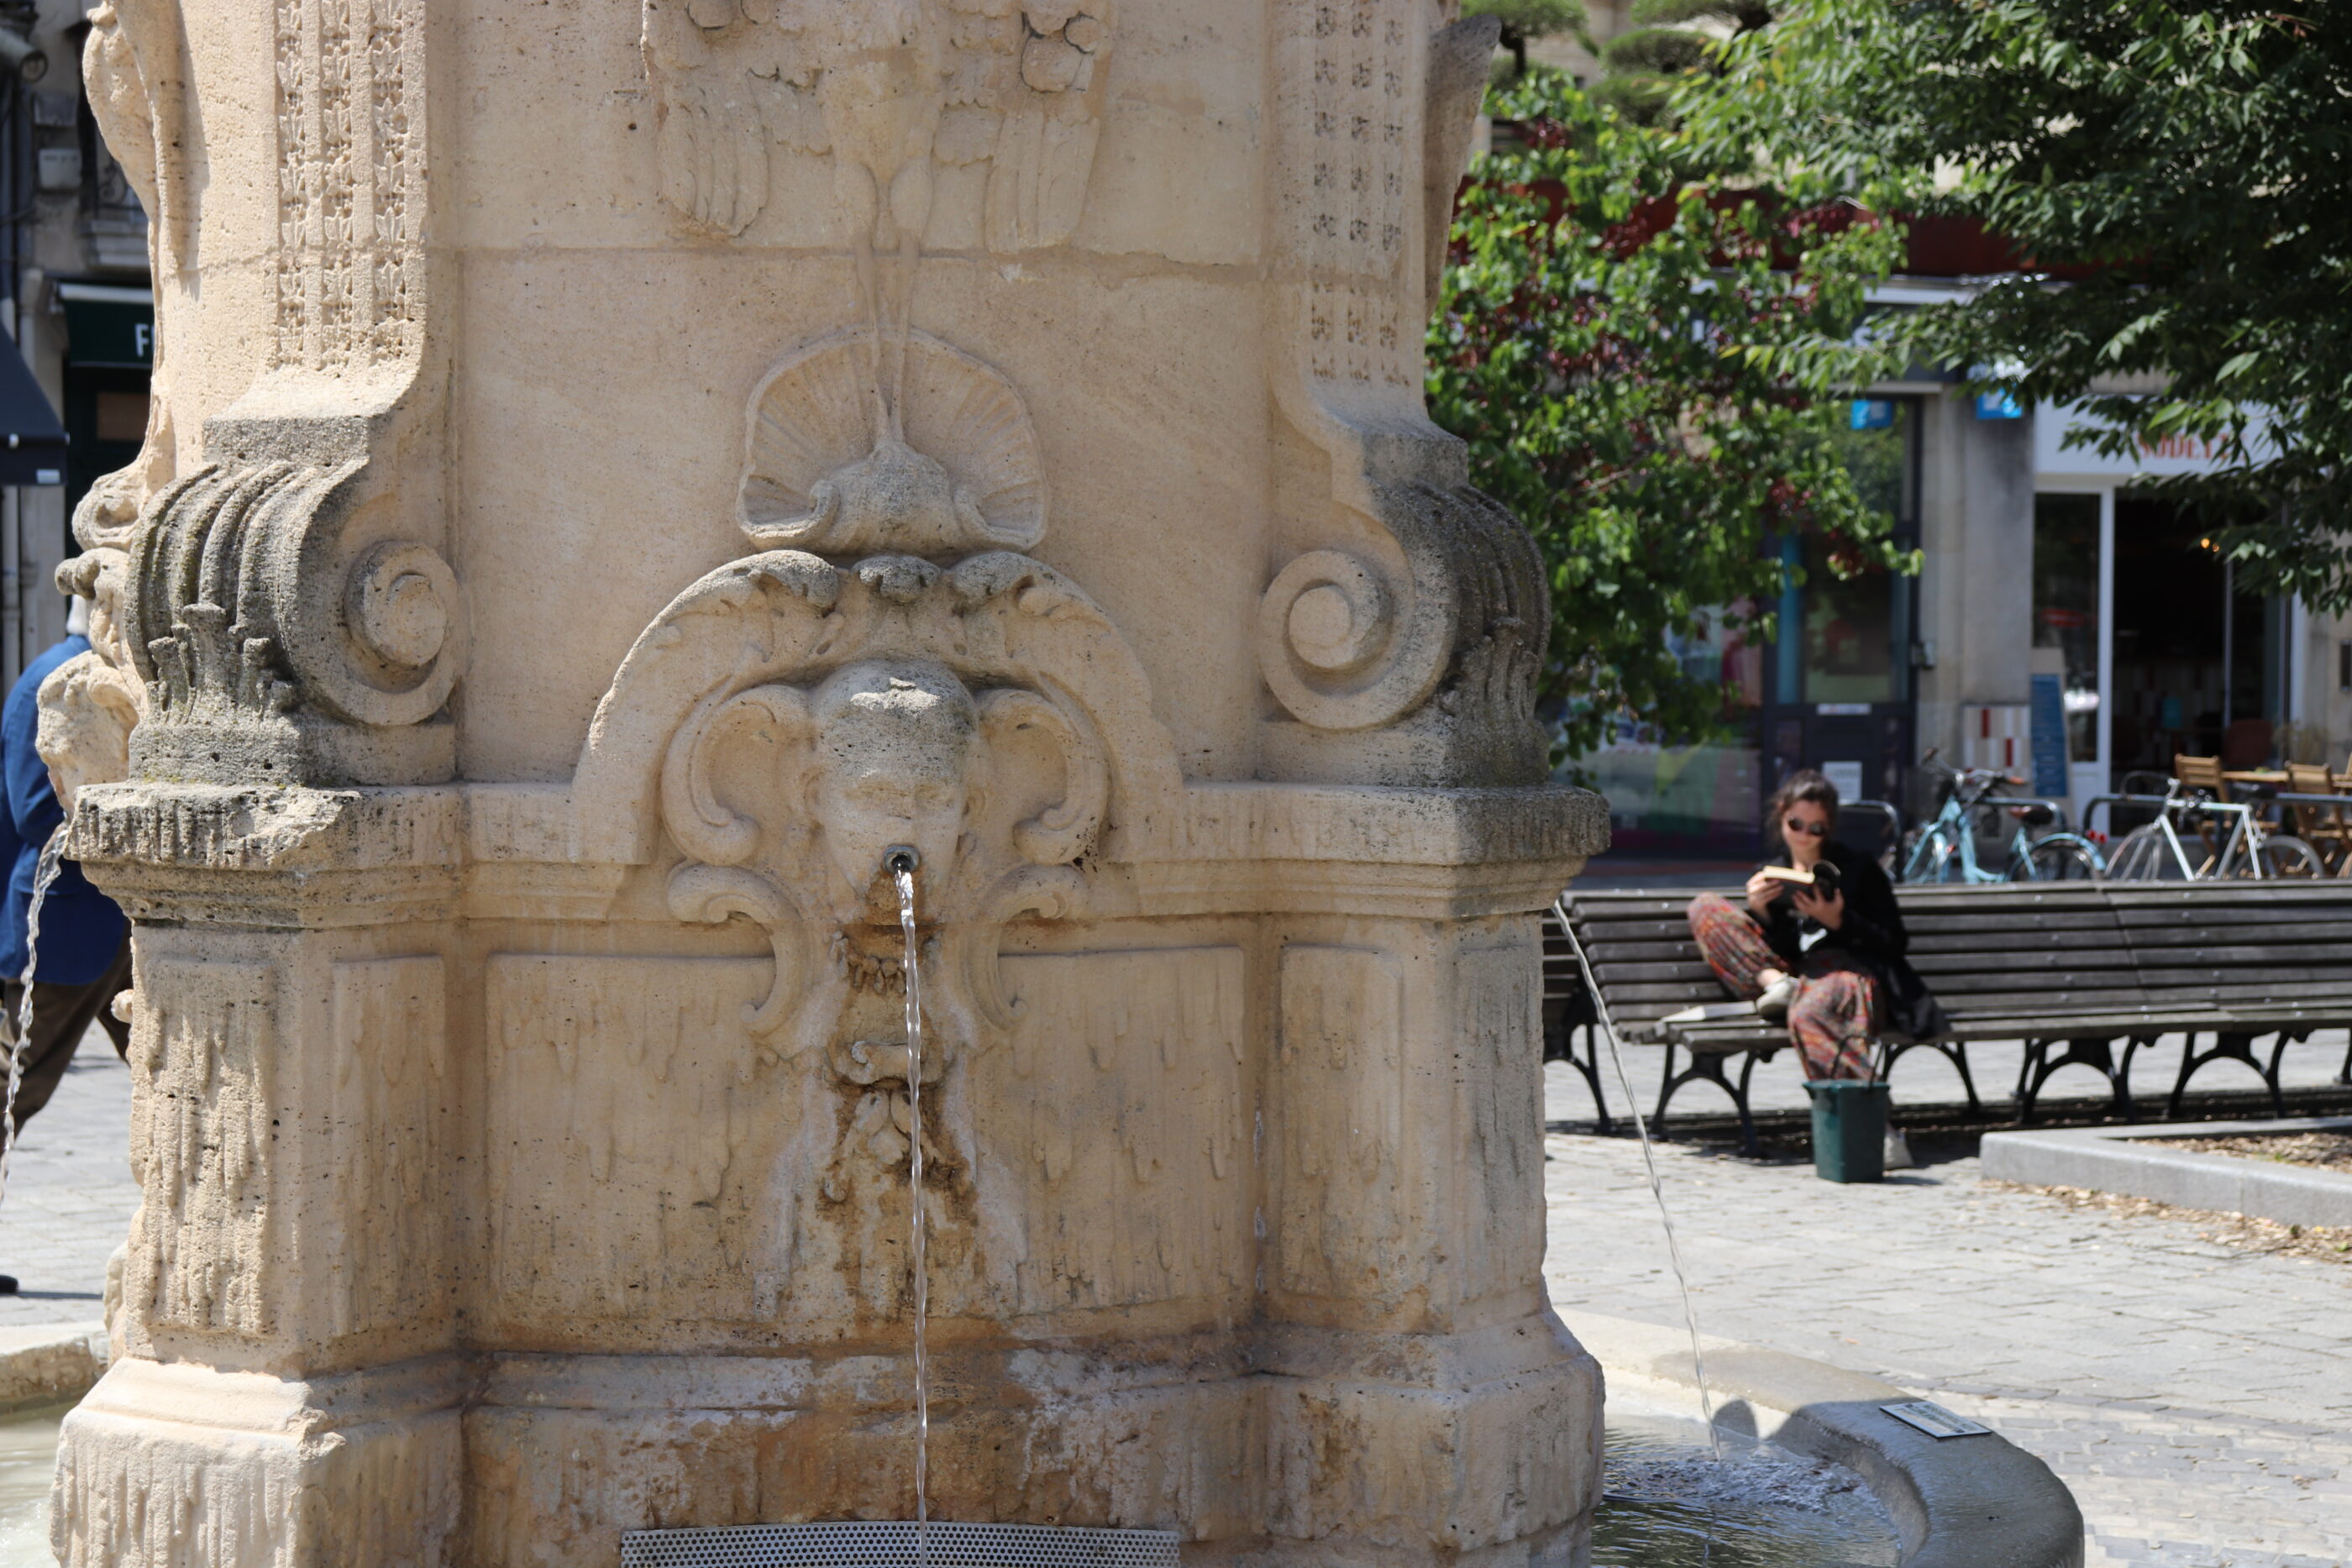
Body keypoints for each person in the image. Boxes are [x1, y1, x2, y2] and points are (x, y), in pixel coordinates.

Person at [1683, 769, 1945, 1079]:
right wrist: (1761, 912)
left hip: (1844, 970)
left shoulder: (1858, 868)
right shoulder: (1773, 872)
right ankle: (1778, 987)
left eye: (1816, 828)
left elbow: (1894, 942)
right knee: (1705, 906)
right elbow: (1780, 948)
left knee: (1811, 1010)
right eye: (1796, 824)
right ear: (1782, 813)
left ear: (1829, 827)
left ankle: (1862, 1114)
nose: (1804, 834)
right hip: (1788, 974)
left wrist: (1839, 920)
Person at [0, 600, 132, 1144]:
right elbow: (35, 809)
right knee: (12, 1087)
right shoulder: (57, 677)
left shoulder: (111, 676)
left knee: (184, 1078)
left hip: (120, 922)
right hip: (63, 925)